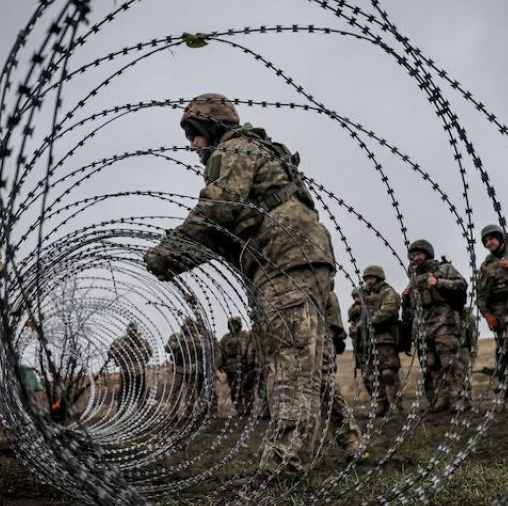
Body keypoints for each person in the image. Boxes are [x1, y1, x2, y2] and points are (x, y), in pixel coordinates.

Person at [144, 93, 335, 478]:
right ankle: (347, 440)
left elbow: (218, 208)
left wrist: (170, 251)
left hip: (284, 258)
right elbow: (224, 233)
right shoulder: (252, 151)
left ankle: (284, 462)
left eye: (197, 133)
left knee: (292, 362)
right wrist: (179, 259)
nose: (193, 144)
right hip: (295, 255)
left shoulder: (231, 150)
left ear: (216, 129)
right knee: (310, 359)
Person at [401, 239, 471, 413]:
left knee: (450, 362)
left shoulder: (444, 269)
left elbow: (461, 286)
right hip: (423, 328)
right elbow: (409, 311)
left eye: (419, 254)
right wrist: (405, 297)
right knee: (432, 365)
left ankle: (460, 398)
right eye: (413, 255)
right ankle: (442, 398)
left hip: (444, 323)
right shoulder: (413, 280)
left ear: (427, 254)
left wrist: (439, 283)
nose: (416, 258)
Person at [476, 224, 508, 406]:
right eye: (486, 241)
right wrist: (487, 315)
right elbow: (481, 295)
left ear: (500, 237)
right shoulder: (486, 266)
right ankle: (507, 397)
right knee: (505, 356)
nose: (490, 243)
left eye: (492, 238)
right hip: (501, 319)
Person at [319, 285, 363, 458]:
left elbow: (334, 327)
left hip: (318, 342)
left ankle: (350, 440)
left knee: (326, 389)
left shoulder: (322, 290)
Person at [357, 265, 403, 417]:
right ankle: (379, 406)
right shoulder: (363, 296)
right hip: (367, 342)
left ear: (379, 278)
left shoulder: (388, 293)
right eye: (366, 279)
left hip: (385, 339)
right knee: (371, 375)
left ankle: (395, 406)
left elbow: (389, 310)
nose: (368, 282)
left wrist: (369, 322)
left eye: (371, 278)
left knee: (388, 372)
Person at [107, 322, 153, 408]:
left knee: (141, 396)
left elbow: (149, 353)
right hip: (127, 372)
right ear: (127, 331)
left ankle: (142, 416)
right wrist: (120, 350)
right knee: (124, 396)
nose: (132, 332)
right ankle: (121, 415)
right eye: (131, 330)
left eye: (134, 330)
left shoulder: (143, 342)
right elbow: (110, 353)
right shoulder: (121, 341)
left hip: (139, 372)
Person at [218, 317, 250, 416]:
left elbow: (250, 349)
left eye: (235, 324)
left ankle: (249, 409)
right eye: (231, 324)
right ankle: (240, 409)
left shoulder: (245, 336)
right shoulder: (225, 338)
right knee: (235, 390)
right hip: (231, 367)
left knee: (247, 388)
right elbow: (221, 352)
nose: (233, 326)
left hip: (244, 366)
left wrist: (250, 363)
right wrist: (220, 364)